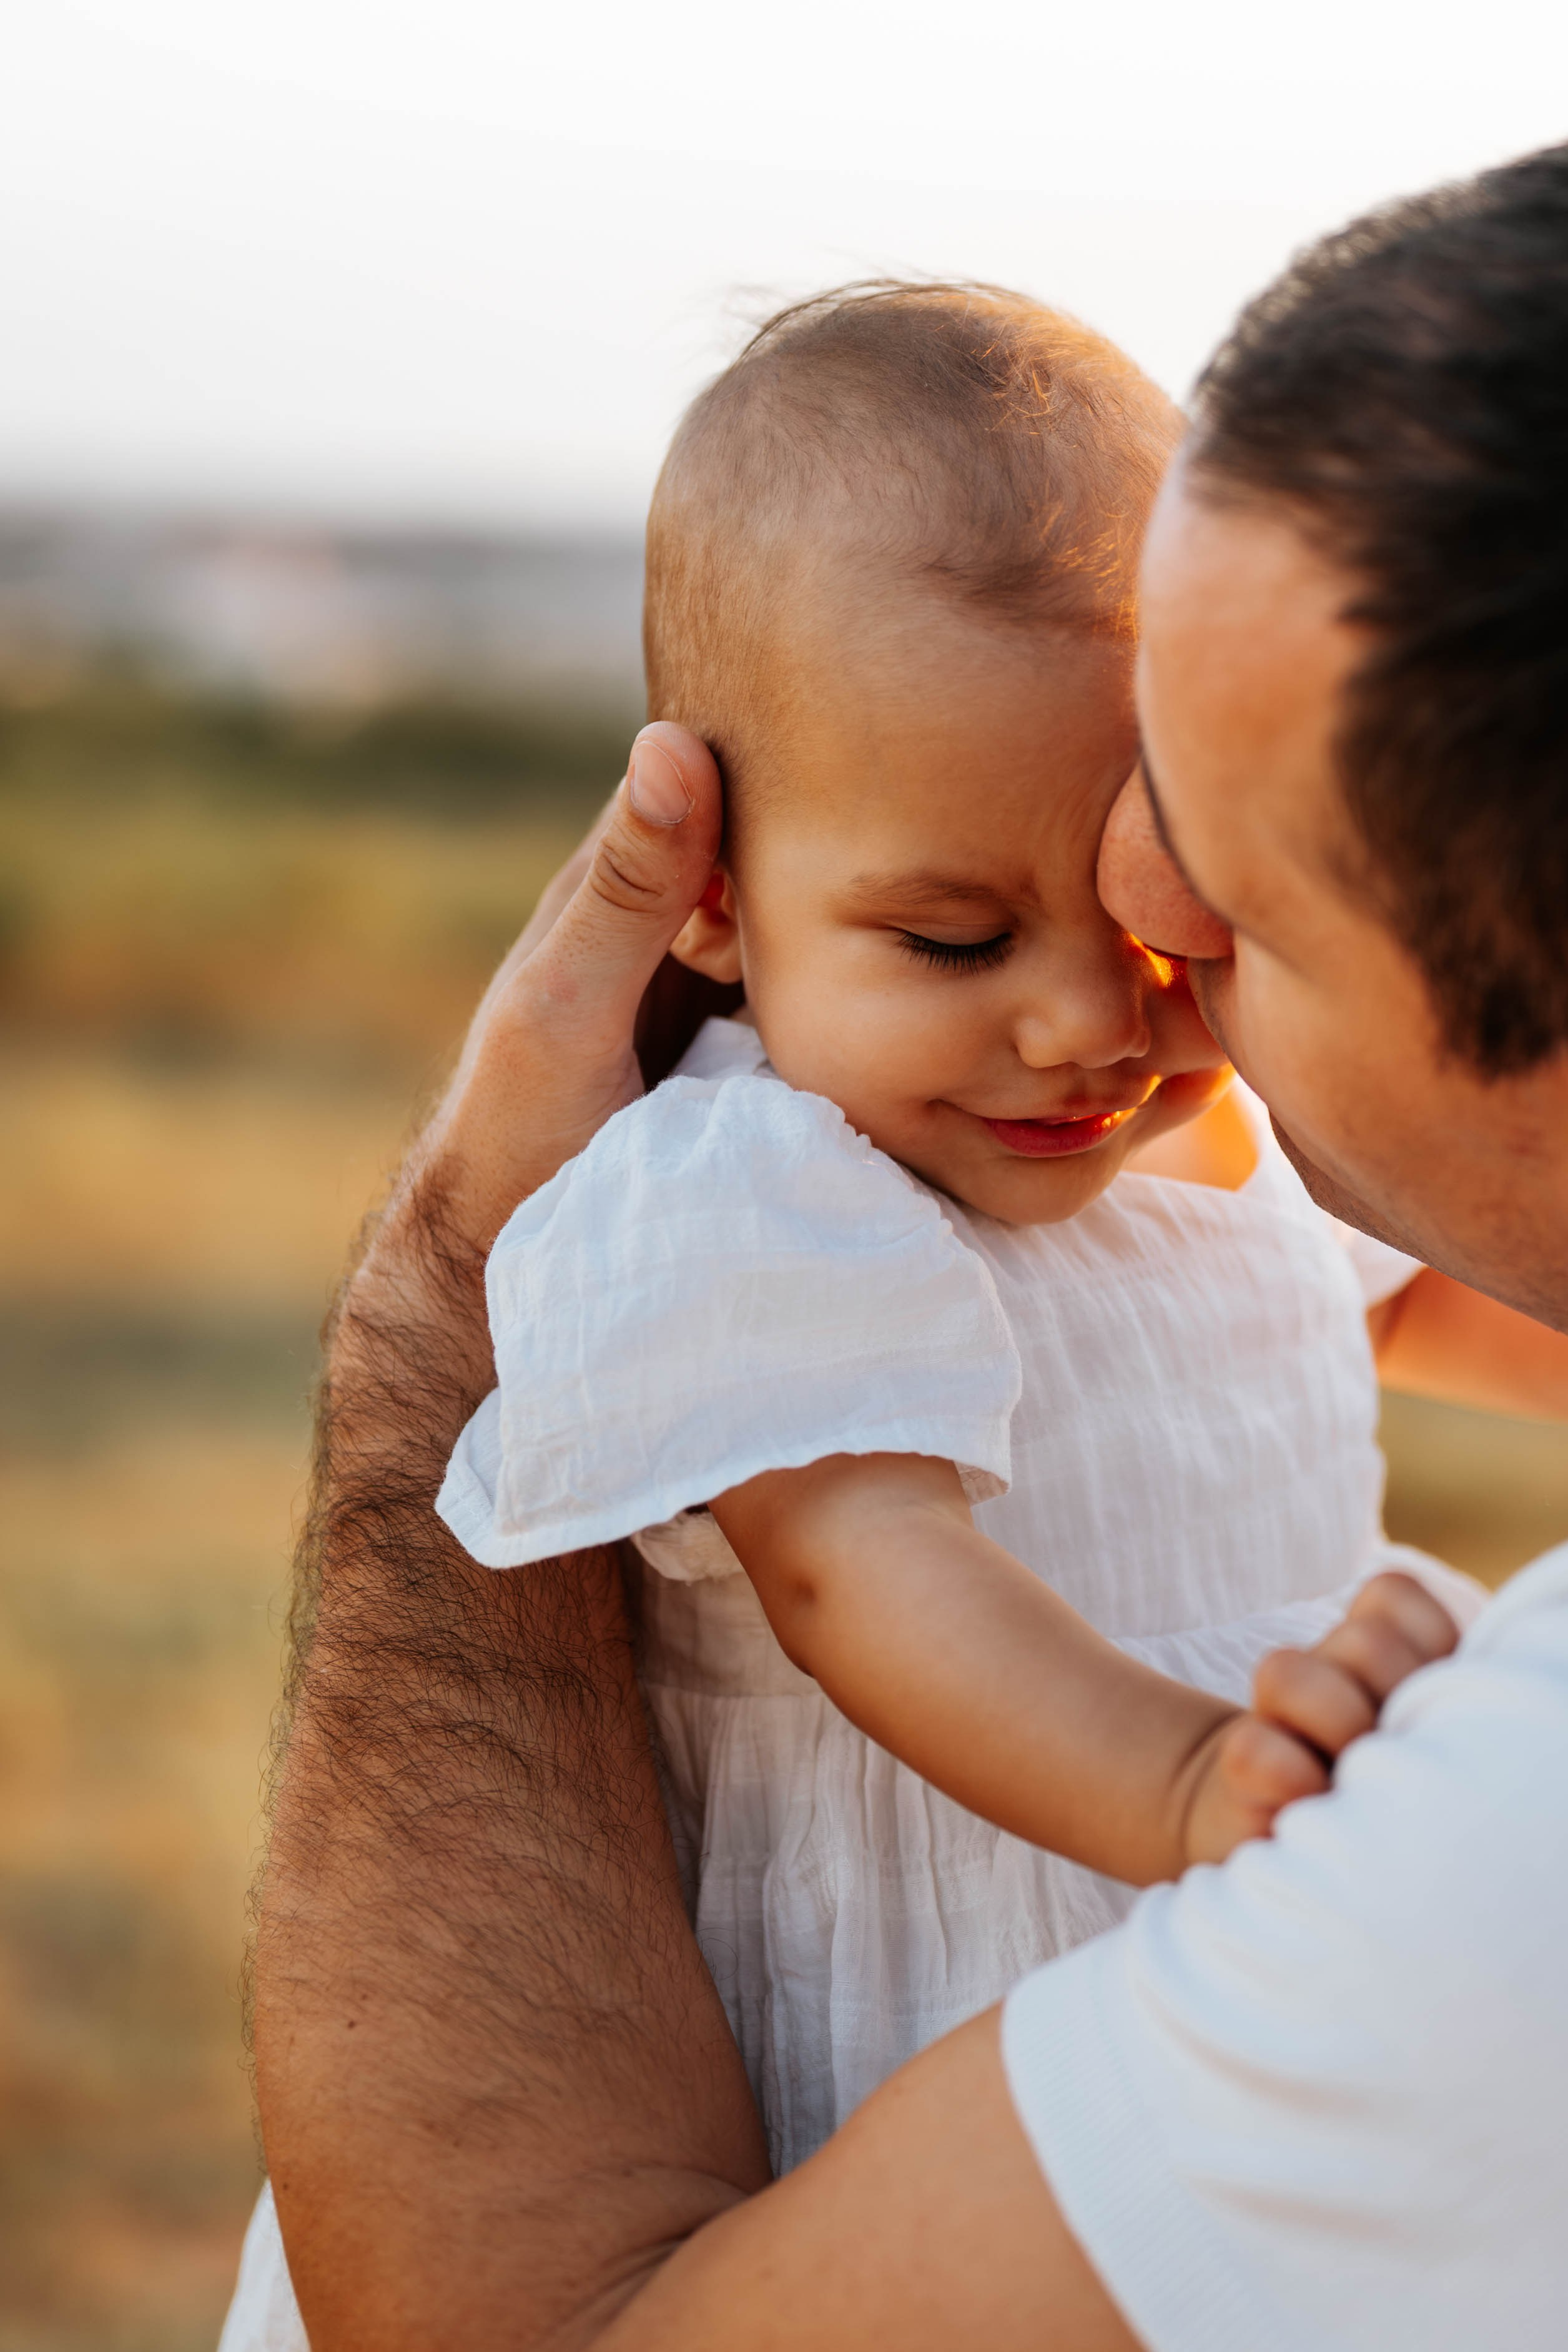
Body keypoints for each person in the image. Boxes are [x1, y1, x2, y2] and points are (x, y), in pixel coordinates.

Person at [249, 146, 1568, 2350]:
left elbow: (1449, 1294)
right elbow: (863, 1571)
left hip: (1197, 1921)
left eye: (1150, 912)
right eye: (956, 938)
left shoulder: (1205, 1144)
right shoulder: (745, 1193)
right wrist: (1185, 1778)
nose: (1080, 1020)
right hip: (902, 2049)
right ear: (711, 897)